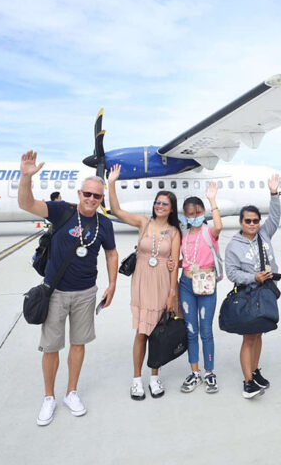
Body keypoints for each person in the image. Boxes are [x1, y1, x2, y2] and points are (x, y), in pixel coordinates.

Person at [18, 151, 118, 426]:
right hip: (56, 293)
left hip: (86, 293)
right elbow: (26, 204)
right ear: (79, 192)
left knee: (78, 344)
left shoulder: (105, 224)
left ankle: (70, 392)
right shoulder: (63, 211)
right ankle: (49, 397)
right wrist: (26, 178)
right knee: (51, 347)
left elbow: (111, 254)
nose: (91, 199)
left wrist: (112, 285)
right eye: (87, 193)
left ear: (101, 199)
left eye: (97, 196)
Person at [107, 164, 181, 399]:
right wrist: (111, 183)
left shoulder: (174, 232)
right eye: (158, 202)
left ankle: (155, 376)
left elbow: (175, 263)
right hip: (142, 281)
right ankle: (137, 379)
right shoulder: (143, 223)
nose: (159, 206)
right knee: (141, 331)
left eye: (164, 204)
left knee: (158, 331)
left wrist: (171, 294)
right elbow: (116, 211)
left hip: (163, 283)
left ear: (171, 209)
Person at [224, 174, 281, 399]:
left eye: (255, 220)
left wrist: (274, 194)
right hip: (249, 294)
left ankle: (255, 371)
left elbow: (275, 217)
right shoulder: (233, 246)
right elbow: (231, 273)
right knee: (248, 337)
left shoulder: (264, 234)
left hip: (266, 293)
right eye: (248, 221)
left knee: (259, 335)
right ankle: (248, 382)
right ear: (241, 222)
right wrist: (253, 277)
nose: (252, 224)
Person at [178, 183, 223, 394]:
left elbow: (219, 227)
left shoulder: (209, 231)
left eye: (197, 212)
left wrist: (212, 200)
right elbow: (186, 260)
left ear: (202, 212)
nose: (194, 216)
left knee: (206, 331)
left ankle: (209, 372)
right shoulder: (183, 235)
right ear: (184, 215)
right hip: (186, 284)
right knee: (190, 330)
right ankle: (194, 372)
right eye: (190, 213)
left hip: (206, 285)